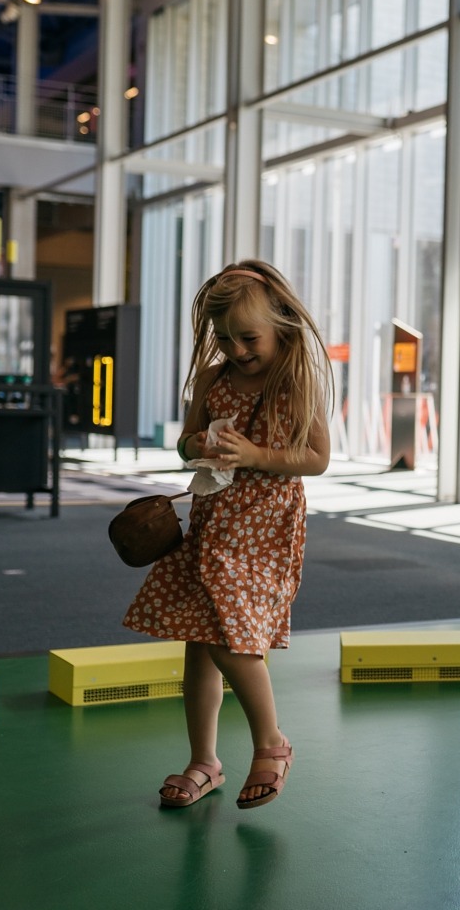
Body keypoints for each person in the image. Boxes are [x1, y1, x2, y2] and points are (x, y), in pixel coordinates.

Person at [123, 260, 332, 808]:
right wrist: (196, 448)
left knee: (229, 637)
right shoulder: (213, 381)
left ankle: (272, 742)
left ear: (280, 323)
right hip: (213, 524)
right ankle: (205, 761)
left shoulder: (295, 379)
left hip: (263, 532)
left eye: (249, 337)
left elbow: (317, 458)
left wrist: (257, 454)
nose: (238, 349)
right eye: (224, 338)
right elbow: (185, 440)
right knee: (199, 647)